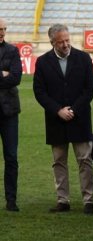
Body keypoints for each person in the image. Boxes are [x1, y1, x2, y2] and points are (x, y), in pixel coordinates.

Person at [33, 24, 93, 214]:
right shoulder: (42, 62)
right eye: (61, 42)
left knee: (85, 159)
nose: (66, 44)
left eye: (67, 40)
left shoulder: (83, 58)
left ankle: (89, 201)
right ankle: (63, 200)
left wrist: (73, 110)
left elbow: (90, 89)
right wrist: (57, 110)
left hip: (80, 117)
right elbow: (40, 91)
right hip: (55, 120)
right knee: (59, 161)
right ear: (52, 42)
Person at [0, 18, 22, 212]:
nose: (2, 32)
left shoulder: (12, 50)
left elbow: (16, 78)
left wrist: (9, 76)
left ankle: (11, 200)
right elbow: (7, 77)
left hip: (9, 112)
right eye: (0, 29)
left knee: (11, 157)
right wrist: (2, 74)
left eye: (4, 29)